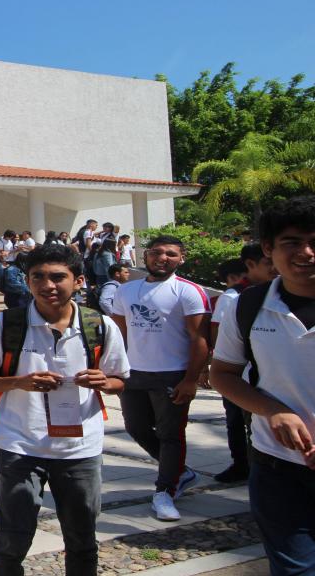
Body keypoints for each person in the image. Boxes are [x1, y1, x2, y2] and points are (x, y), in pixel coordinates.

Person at [0, 244, 129, 576]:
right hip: (20, 445)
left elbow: (120, 382)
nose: (48, 285)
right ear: (28, 282)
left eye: (58, 277)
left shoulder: (99, 325)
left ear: (79, 280)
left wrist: (104, 382)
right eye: (38, 277)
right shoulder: (8, 325)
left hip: (79, 448)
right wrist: (19, 382)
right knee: (11, 541)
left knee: (82, 538)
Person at [210, 197, 315, 576]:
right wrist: (273, 410)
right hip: (279, 469)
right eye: (292, 242)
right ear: (268, 249)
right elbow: (221, 374)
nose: (306, 252)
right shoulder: (248, 305)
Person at [111, 235, 211, 521]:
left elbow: (200, 339)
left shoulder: (188, 292)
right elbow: (120, 334)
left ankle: (166, 490)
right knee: (136, 428)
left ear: (181, 258)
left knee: (170, 435)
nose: (162, 258)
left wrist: (191, 379)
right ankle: (181, 472)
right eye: (156, 252)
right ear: (146, 256)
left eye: (170, 253)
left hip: (172, 373)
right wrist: (117, 369)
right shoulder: (126, 291)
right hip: (135, 374)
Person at [205, 243, 276, 484]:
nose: (274, 268)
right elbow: (217, 332)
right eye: (268, 263)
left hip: (271, 379)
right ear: (250, 266)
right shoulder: (235, 298)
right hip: (240, 377)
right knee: (238, 423)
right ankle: (242, 464)